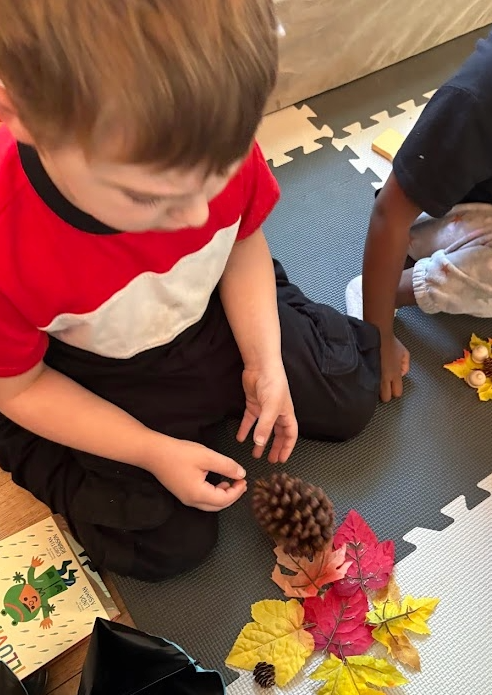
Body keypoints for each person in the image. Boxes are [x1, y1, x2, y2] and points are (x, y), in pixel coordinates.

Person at [0, 0, 380, 582]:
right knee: (165, 545)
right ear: (20, 115)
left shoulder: (199, 135)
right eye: (151, 198)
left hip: (205, 314)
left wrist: (265, 359)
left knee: (347, 391)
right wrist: (149, 449)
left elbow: (240, 241)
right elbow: (22, 388)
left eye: (222, 172)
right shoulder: (12, 237)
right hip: (93, 372)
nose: (198, 214)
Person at [346, 30, 492, 403]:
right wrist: (376, 334)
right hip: (443, 215)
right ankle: (384, 290)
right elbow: (389, 214)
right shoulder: (475, 101)